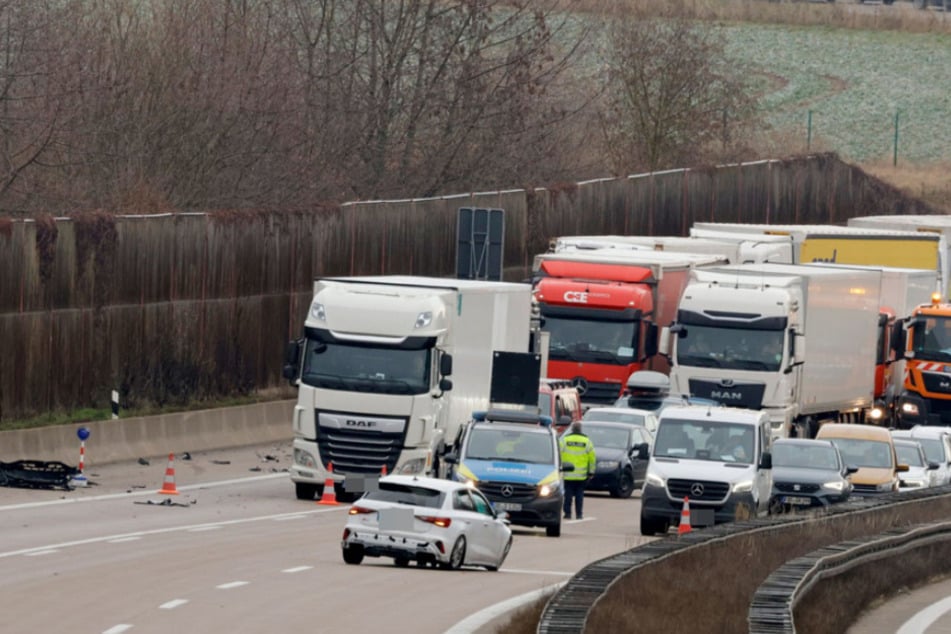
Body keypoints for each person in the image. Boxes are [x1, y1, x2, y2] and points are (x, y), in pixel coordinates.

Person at [559, 421, 596, 520]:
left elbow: (558, 453)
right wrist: (591, 472)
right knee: (579, 494)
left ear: (572, 429)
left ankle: (567, 513)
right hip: (581, 475)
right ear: (581, 430)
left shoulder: (565, 440)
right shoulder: (587, 441)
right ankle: (579, 514)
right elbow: (592, 458)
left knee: (568, 494)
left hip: (568, 473)